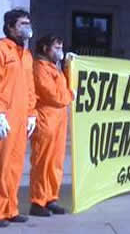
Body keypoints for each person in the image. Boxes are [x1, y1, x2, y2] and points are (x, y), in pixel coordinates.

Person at [0, 8, 37, 227]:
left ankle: (9, 209)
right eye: (23, 23)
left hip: (21, 119)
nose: (27, 27)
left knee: (13, 167)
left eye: (28, 23)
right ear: (11, 27)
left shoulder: (26, 55)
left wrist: (31, 114)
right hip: (2, 118)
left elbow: (30, 88)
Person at [29, 35, 74, 217]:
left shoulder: (54, 68)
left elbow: (61, 89)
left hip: (58, 119)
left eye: (61, 46)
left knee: (55, 162)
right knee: (42, 162)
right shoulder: (39, 68)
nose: (59, 50)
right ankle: (38, 201)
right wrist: (70, 95)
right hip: (45, 118)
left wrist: (70, 66)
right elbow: (52, 94)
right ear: (46, 49)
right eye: (56, 47)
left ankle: (50, 198)